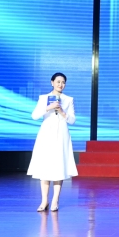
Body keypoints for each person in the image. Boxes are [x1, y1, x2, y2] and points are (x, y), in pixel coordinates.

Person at [27, 72, 77, 212]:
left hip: (61, 134)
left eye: (63, 82)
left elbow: (72, 120)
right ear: (52, 82)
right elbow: (34, 116)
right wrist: (48, 107)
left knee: (58, 166)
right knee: (45, 166)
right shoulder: (43, 98)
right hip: (46, 134)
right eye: (58, 82)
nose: (61, 84)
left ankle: (55, 200)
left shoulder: (68, 100)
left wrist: (62, 111)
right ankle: (44, 201)